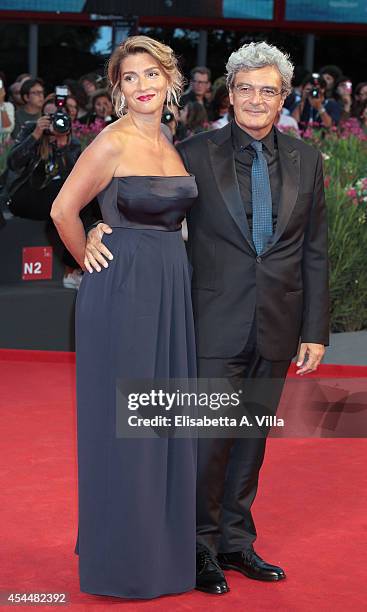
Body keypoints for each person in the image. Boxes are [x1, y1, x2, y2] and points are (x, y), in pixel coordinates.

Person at [87, 41, 329, 595]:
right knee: (207, 441)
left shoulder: (307, 160)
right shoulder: (192, 152)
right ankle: (198, 546)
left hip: (279, 321)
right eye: (245, 88)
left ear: (282, 97)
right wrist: (104, 227)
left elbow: (315, 250)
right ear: (230, 93)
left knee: (252, 438)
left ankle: (237, 542)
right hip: (211, 320)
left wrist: (314, 330)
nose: (256, 99)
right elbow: (138, 194)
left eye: (268, 90)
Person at [50, 36, 198, 599]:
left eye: (151, 74)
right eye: (129, 78)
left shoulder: (169, 141)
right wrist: (84, 248)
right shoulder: (110, 144)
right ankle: (124, 564)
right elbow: (64, 208)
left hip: (168, 290)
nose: (142, 86)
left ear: (169, 82)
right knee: (128, 429)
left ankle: (162, 554)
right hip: (124, 292)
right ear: (117, 91)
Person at [6, 94, 89, 289]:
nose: (55, 122)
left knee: (81, 202)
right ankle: (72, 271)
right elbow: (14, 163)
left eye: (59, 117)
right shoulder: (31, 130)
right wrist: (36, 135)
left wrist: (62, 147)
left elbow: (74, 177)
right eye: (51, 117)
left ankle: (72, 270)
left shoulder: (72, 142)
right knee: (64, 197)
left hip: (58, 200)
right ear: (43, 117)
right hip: (29, 195)